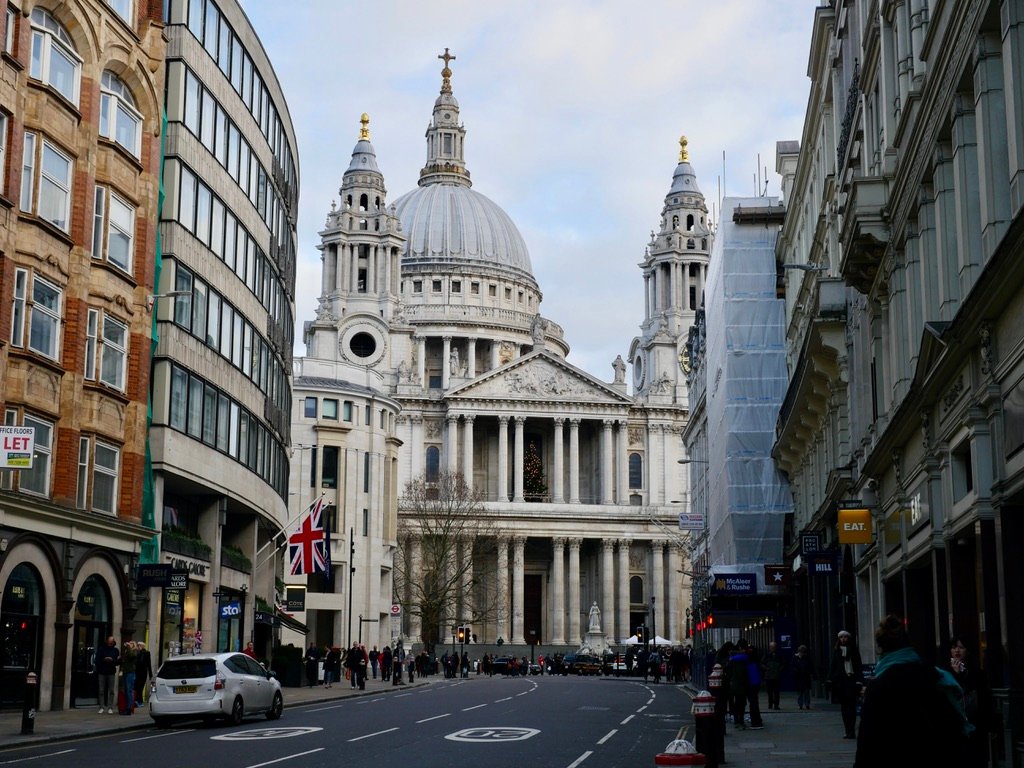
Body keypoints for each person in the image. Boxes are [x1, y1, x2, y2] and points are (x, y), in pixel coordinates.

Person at [854, 615, 969, 768]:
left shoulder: (879, 685)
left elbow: (867, 739)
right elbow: (951, 724)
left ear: (881, 650)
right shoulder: (932, 675)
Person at [946, 636, 993, 767]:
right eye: (954, 647)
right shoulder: (946, 673)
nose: (957, 651)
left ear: (967, 651)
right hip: (956, 726)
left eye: (961, 647)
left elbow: (981, 696)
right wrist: (956, 675)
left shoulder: (977, 673)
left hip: (975, 725)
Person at [829, 629, 863, 739]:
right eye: (841, 637)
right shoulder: (837, 651)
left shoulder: (853, 650)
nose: (843, 639)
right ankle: (846, 730)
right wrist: (830, 679)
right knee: (844, 708)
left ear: (849, 638)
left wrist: (859, 680)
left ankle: (851, 730)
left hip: (851, 681)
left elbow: (858, 665)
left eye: (845, 637)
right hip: (841, 683)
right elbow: (833, 665)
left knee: (851, 708)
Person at [727, 640, 751, 730]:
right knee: (742, 703)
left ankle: (737, 720)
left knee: (736, 702)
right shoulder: (746, 658)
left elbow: (728, 672)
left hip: (735, 684)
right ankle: (740, 719)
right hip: (743, 684)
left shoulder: (732, 659)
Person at [96, 636, 120, 714]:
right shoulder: (101, 649)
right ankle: (101, 707)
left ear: (113, 642)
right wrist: (104, 660)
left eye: (111, 642)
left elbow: (117, 662)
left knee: (111, 690)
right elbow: (97, 660)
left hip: (111, 672)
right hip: (102, 671)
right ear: (107, 641)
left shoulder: (115, 650)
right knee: (101, 690)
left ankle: (110, 707)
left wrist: (112, 660)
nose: (110, 643)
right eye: (109, 641)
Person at [762, 641, 783, 710]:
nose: (773, 648)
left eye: (774, 647)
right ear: (770, 647)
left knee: (776, 692)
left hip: (776, 676)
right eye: (772, 647)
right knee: (769, 691)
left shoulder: (779, 655)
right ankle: (770, 704)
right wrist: (767, 669)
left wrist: (779, 669)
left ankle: (776, 705)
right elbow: (762, 663)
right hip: (768, 676)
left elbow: (783, 663)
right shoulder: (767, 655)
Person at [792, 644, 814, 710]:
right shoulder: (795, 658)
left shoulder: (807, 658)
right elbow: (793, 667)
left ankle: (806, 704)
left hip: (805, 677)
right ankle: (801, 705)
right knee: (800, 693)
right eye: (801, 651)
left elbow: (810, 667)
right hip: (799, 677)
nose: (802, 653)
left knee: (805, 692)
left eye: (803, 652)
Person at [134, 641, 153, 708]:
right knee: (136, 687)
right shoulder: (137, 653)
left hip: (143, 673)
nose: (137, 647)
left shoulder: (147, 653)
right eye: (137, 646)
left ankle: (140, 702)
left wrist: (150, 674)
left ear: (141, 646)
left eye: (138, 646)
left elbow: (149, 664)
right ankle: (137, 701)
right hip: (137, 673)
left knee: (140, 688)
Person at [120, 640, 137, 714]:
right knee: (126, 691)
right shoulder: (127, 651)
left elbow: (131, 656)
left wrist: (129, 647)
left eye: (131, 644)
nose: (129, 645)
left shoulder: (134, 651)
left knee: (129, 691)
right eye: (129, 643)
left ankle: (129, 708)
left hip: (130, 673)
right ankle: (126, 707)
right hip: (126, 672)